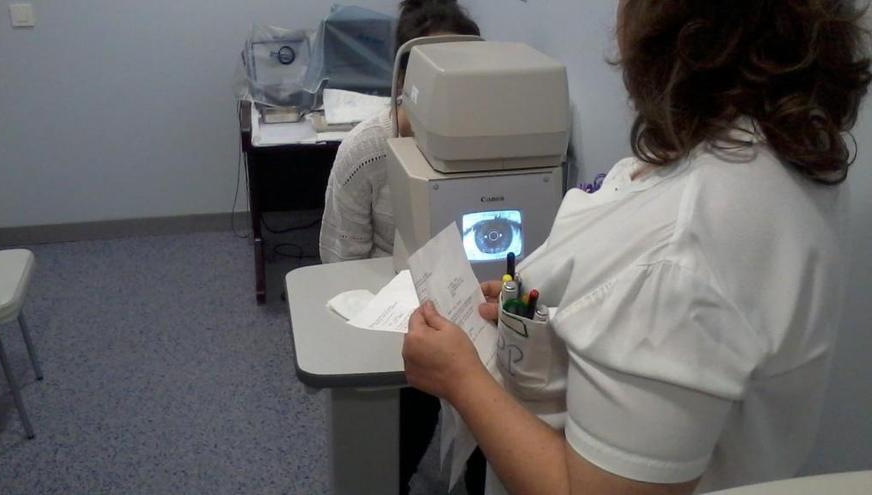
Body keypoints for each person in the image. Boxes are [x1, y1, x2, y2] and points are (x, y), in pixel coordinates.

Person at [403, 1, 871, 494]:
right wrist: (547, 308)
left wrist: (462, 380)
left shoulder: (682, 252)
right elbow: (636, 311)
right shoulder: (782, 153)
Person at [318, 1, 485, 493]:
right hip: (392, 317)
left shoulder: (492, 141)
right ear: (403, 84)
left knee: (496, 426)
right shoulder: (365, 153)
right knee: (399, 431)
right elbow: (340, 269)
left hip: (474, 306)